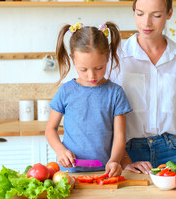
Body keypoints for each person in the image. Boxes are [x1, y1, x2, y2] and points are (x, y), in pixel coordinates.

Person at [111, 0, 176, 174]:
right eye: (139, 14)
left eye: (156, 15)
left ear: (169, 14)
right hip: (129, 150)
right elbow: (107, 111)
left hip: (174, 150)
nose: (146, 23)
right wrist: (122, 158)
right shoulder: (117, 56)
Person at [45, 22, 133, 177]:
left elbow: (119, 136)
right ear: (73, 60)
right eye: (83, 70)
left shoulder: (115, 93)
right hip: (69, 172)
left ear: (107, 57)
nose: (91, 76)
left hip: (104, 172)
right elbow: (50, 129)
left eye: (98, 68)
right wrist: (60, 150)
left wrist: (114, 160)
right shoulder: (66, 91)